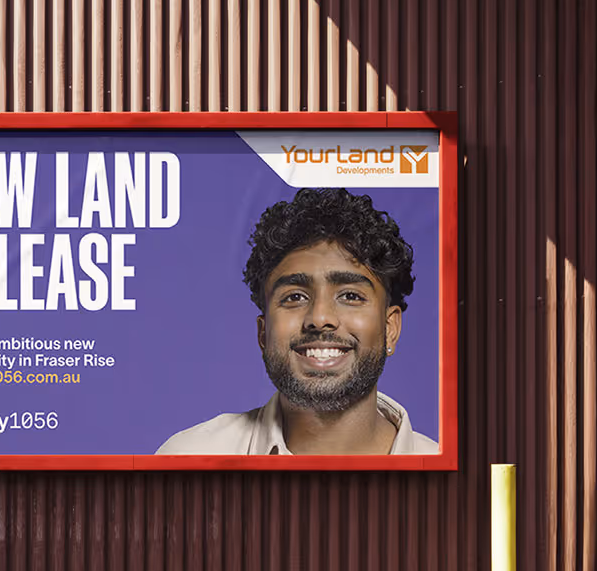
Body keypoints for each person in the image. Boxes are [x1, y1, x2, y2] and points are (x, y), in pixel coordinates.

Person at [156, 187, 438, 455]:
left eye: (350, 295)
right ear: (263, 333)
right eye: (294, 297)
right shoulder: (187, 457)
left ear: (390, 329)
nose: (319, 318)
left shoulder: (451, 479)